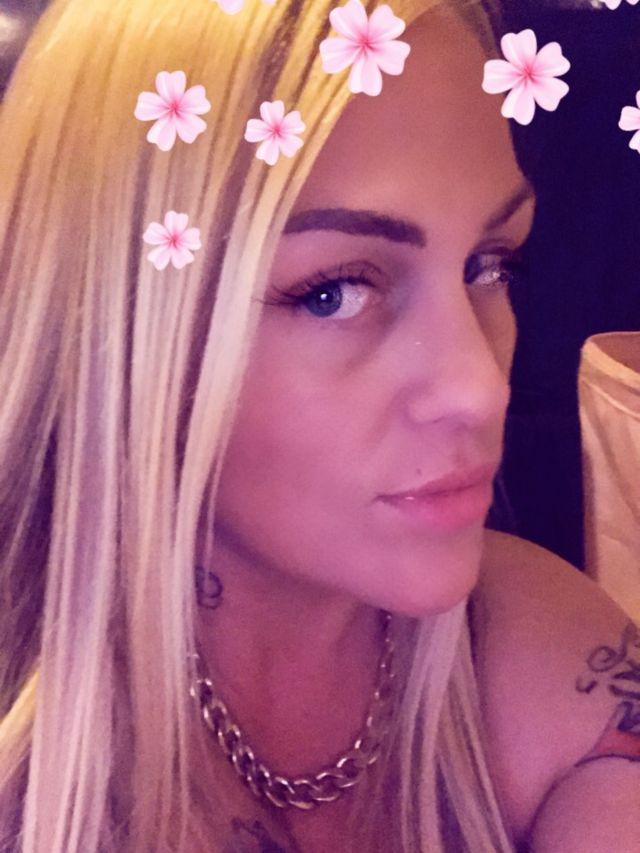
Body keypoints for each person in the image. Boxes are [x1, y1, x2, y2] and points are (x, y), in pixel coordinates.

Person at [0, 0, 638, 851]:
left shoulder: (538, 650)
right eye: (333, 292)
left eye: (489, 265)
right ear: (122, 323)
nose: (480, 389)